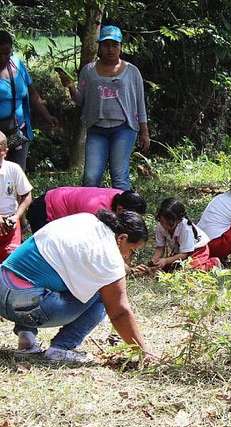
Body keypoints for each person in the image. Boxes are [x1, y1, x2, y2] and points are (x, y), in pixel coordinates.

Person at [1, 210, 153, 363]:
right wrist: (144, 352)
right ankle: (61, 348)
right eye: (132, 251)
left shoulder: (85, 220)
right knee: (105, 294)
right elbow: (119, 312)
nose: (128, 257)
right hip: (27, 306)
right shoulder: (110, 256)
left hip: (2, 289)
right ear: (122, 238)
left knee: (35, 273)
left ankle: (26, 337)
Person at [59, 25, 150, 191]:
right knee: (91, 177)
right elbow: (80, 100)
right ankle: (90, 213)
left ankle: (124, 214)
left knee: (119, 176)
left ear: (121, 47)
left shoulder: (132, 72)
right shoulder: (88, 71)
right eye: (106, 45)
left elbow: (140, 103)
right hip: (96, 129)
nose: (110, 49)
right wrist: (71, 87)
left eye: (114, 45)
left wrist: (144, 131)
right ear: (100, 47)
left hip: (124, 128)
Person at [0, 30, 58, 170]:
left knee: (17, 175)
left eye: (7, 53)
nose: (3, 58)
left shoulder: (18, 66)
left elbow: (32, 94)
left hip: (18, 132)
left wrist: (47, 116)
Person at [26, 186, 146, 233]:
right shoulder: (97, 212)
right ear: (120, 209)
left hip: (55, 200)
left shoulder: (121, 195)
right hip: (43, 210)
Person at [150, 198, 220, 272]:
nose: (165, 226)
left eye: (169, 224)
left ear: (179, 220)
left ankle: (212, 264)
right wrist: (154, 260)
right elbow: (160, 248)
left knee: (189, 271)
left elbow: (184, 254)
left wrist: (166, 260)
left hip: (198, 250)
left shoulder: (186, 229)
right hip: (180, 251)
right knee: (168, 269)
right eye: (162, 222)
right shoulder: (160, 226)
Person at [0, 131, 31, 261]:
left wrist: (16, 216)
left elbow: (27, 195)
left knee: (11, 263)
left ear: (5, 151)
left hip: (10, 224)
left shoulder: (13, 169)